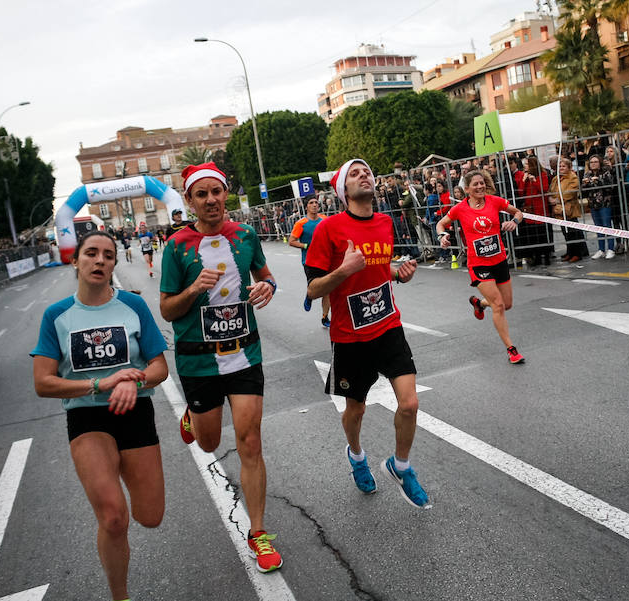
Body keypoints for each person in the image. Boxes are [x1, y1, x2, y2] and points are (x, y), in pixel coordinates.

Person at [159, 162, 284, 573]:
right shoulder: (176, 247)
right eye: (202, 194)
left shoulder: (245, 235)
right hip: (197, 358)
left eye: (217, 192)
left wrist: (267, 286)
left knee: (250, 441)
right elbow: (166, 308)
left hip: (245, 353)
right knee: (209, 443)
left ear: (225, 193)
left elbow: (266, 277)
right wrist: (193, 289)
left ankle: (259, 532)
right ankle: (194, 417)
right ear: (190, 201)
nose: (211, 200)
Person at [31, 231, 169, 601]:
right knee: (112, 516)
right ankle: (120, 596)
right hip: (87, 418)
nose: (100, 260)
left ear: (113, 263)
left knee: (150, 516)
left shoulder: (133, 306)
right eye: (91, 253)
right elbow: (43, 382)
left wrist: (135, 381)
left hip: (136, 412)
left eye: (108, 255)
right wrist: (99, 384)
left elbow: (159, 366)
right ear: (75, 261)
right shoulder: (56, 315)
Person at [304, 158, 430, 509]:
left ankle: (400, 466)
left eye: (368, 172)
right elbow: (313, 289)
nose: (365, 176)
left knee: (410, 403)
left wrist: (397, 273)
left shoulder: (385, 222)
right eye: (355, 174)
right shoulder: (328, 229)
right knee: (355, 410)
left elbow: (378, 270)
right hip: (350, 336)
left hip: (388, 325)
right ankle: (356, 455)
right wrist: (343, 270)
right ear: (344, 190)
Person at [437, 170, 526, 364]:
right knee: (499, 305)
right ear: (466, 189)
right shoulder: (459, 209)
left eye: (481, 183)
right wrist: (442, 236)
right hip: (478, 264)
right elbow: (440, 224)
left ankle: (480, 303)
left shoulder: (495, 201)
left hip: (499, 260)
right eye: (475, 184)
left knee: (507, 303)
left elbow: (518, 212)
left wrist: (514, 222)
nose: (480, 187)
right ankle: (511, 350)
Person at [289, 194, 330, 327]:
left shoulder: (324, 219)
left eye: (316, 203)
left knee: (327, 290)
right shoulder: (301, 223)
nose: (314, 205)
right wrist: (306, 245)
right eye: (311, 203)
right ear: (306, 206)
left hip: (325, 259)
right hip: (309, 261)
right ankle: (309, 295)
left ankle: (325, 317)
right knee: (316, 288)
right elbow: (292, 241)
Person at [549, 158, 589, 262]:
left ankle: (577, 253)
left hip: (570, 209)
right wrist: (551, 198)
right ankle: (570, 252)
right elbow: (551, 191)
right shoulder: (555, 179)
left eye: (563, 166)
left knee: (573, 232)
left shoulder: (573, 177)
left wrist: (558, 199)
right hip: (559, 209)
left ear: (569, 167)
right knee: (565, 232)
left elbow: (571, 192)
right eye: (560, 166)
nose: (561, 168)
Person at [581, 155, 616, 259]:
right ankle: (601, 249)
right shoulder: (587, 174)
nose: (593, 164)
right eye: (591, 162)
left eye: (596, 162)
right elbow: (584, 191)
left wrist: (598, 181)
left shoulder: (605, 173)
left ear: (600, 162)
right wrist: (585, 184)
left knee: (607, 226)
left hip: (605, 203)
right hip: (593, 204)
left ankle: (611, 249)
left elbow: (610, 187)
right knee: (598, 227)